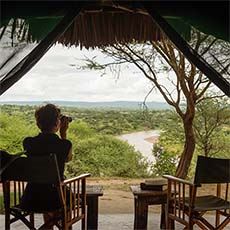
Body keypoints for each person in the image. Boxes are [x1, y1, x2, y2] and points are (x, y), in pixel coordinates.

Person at [20, 103, 72, 229]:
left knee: (46, 189)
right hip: (55, 198)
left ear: (38, 124)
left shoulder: (28, 143)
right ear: (57, 124)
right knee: (66, 196)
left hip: (30, 197)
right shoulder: (64, 145)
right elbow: (68, 159)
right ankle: (64, 226)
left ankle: (48, 227)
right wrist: (63, 134)